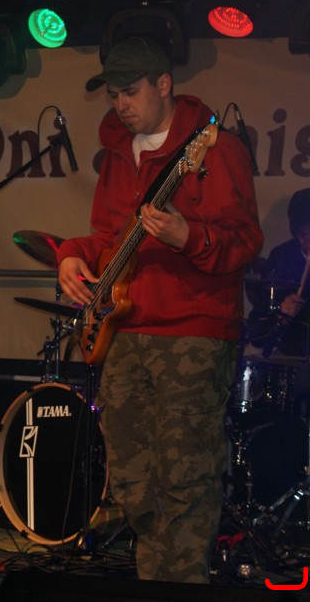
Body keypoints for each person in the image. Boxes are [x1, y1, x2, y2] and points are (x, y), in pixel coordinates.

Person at [56, 37, 263, 583]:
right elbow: (109, 238)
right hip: (126, 329)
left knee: (186, 475)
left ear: (164, 84)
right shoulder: (118, 155)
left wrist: (187, 237)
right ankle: (154, 582)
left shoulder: (214, 149)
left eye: (130, 91)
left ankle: (184, 585)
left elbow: (244, 240)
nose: (120, 104)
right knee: (131, 478)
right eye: (113, 94)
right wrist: (72, 256)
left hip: (193, 331)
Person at [245, 188, 310, 357]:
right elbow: (258, 331)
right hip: (290, 355)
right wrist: (281, 317)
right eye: (303, 234)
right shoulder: (282, 256)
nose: (308, 240)